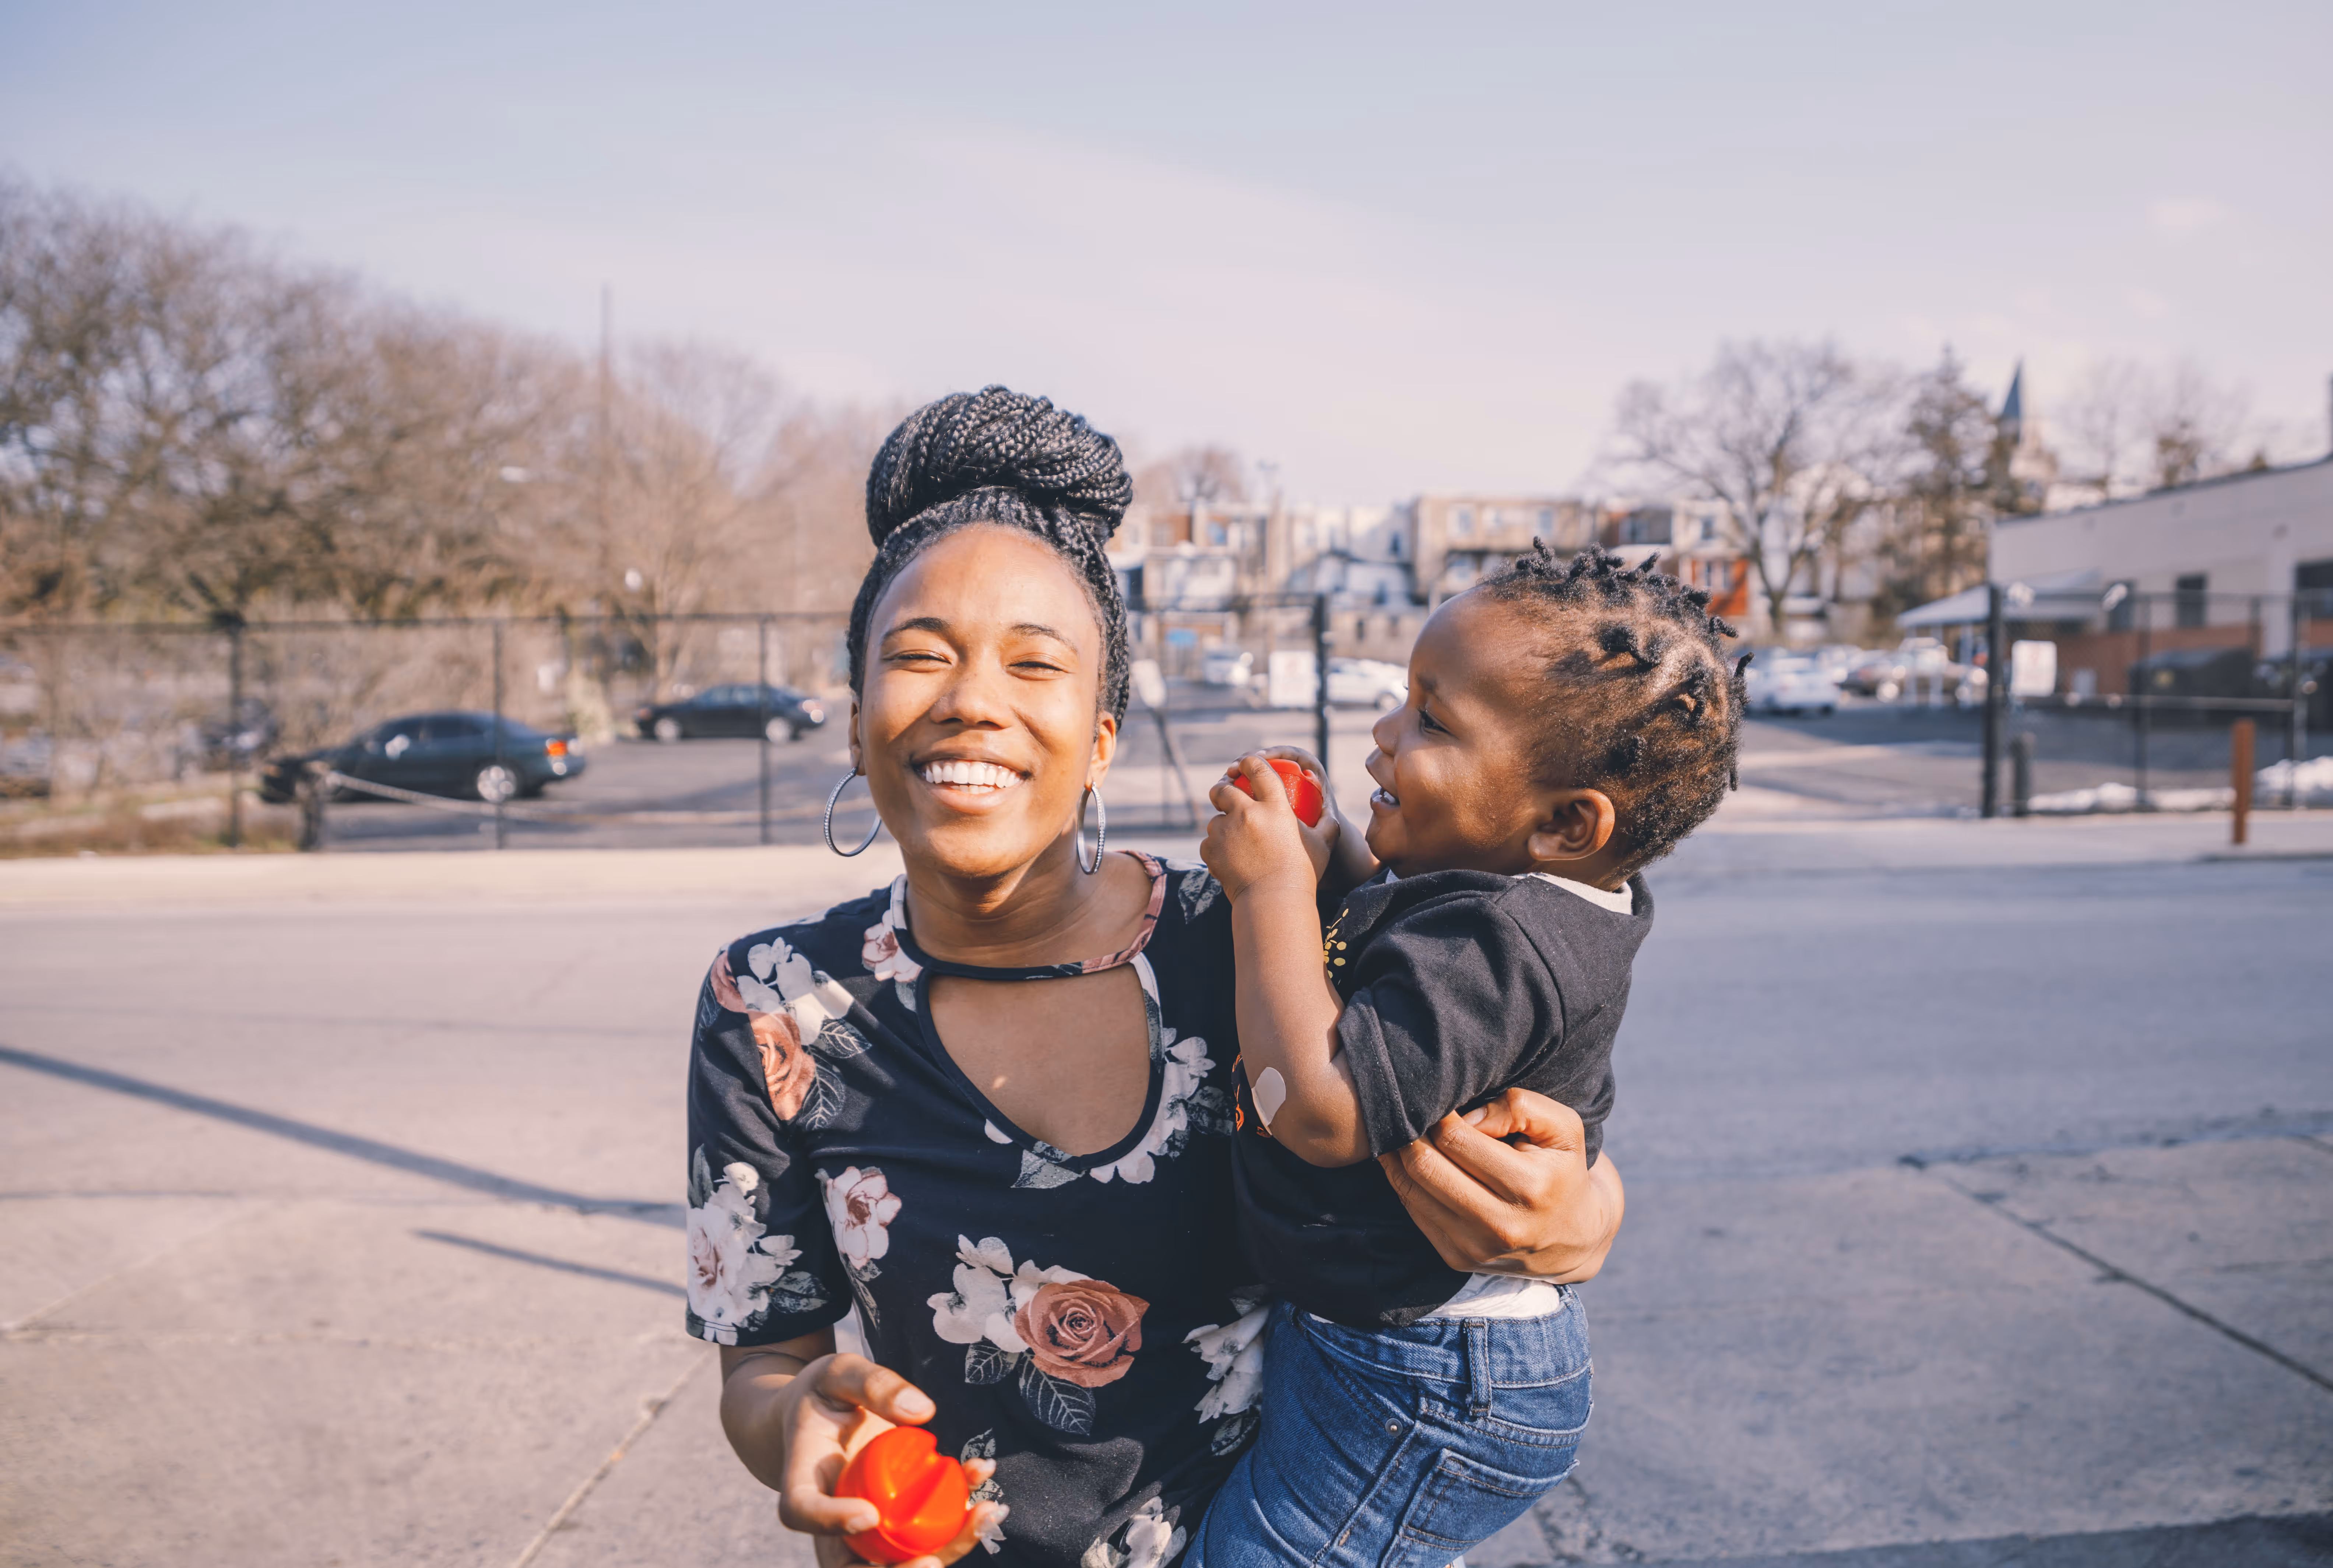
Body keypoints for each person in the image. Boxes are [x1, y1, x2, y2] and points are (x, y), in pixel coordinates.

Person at [686, 388, 1628, 1568]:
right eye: (918, 657)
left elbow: (1501, 1063)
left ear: (1101, 736)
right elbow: (761, 1360)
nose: (971, 701)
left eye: (1036, 666)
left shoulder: (1251, 932)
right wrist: (791, 1423)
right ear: (859, 717)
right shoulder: (768, 1000)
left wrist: (1587, 1208)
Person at [1191, 546, 1745, 1568]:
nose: (1383, 734)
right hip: (1401, 1344)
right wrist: (1328, 858)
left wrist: (1267, 890)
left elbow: (1322, 1112)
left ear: (1565, 823)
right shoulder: (1511, 899)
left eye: (1431, 722)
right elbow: (1388, 939)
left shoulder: (1507, 945)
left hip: (1428, 1372)